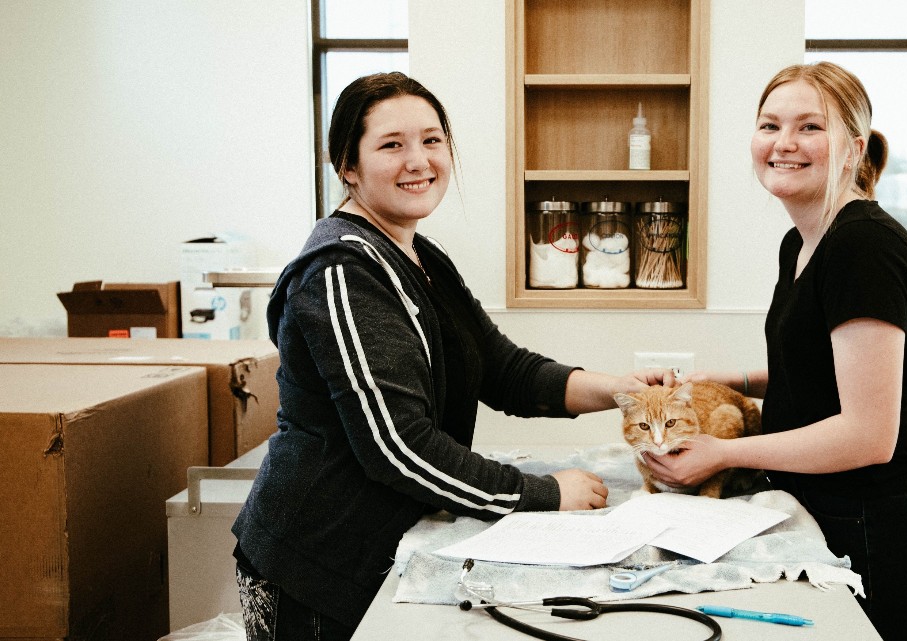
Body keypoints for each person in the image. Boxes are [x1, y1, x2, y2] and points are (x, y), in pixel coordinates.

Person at [231, 71, 673, 640]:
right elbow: (399, 447)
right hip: (318, 563)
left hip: (377, 546)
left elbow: (503, 369)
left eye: (432, 140)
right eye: (392, 144)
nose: (418, 160)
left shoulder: (419, 256)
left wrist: (622, 391)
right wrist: (541, 492)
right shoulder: (342, 272)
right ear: (347, 164)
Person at [643, 61, 907, 641]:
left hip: (879, 531)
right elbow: (822, 370)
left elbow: (868, 433)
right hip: (827, 513)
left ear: (852, 148)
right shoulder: (803, 241)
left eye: (810, 127)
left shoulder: (863, 247)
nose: (784, 144)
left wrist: (722, 452)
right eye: (770, 125)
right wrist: (728, 380)